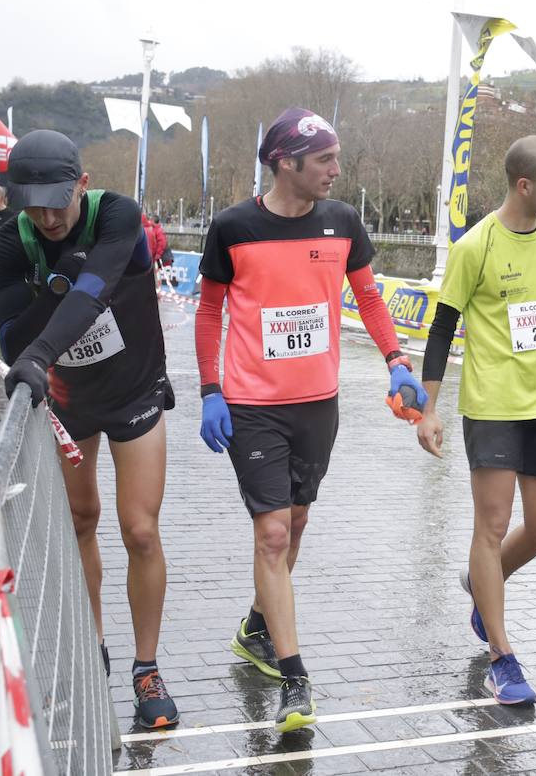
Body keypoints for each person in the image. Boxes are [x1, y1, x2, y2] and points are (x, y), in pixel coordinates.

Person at [195, 107, 424, 733]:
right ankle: (296, 681)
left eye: (335, 157)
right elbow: (210, 312)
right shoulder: (234, 227)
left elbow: (369, 295)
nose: (336, 169)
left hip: (318, 402)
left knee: (294, 524)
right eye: (324, 159)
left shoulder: (342, 220)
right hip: (252, 404)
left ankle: (255, 627)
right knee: (271, 534)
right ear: (285, 163)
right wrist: (211, 389)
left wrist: (396, 360)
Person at [0, 130, 179, 729]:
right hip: (67, 396)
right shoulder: (8, 245)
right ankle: (92, 650)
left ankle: (145, 668)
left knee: (141, 530)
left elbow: (94, 292)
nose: (45, 216)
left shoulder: (118, 215)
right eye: (31, 203)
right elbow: (13, 338)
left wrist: (64, 289)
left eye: (57, 201)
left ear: (83, 185)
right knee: (80, 521)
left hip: (133, 390)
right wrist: (58, 282)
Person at [416, 136, 536, 705]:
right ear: (525, 185)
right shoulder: (475, 247)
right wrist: (428, 409)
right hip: (493, 407)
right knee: (491, 528)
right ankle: (502, 657)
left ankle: (483, 579)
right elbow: (441, 328)